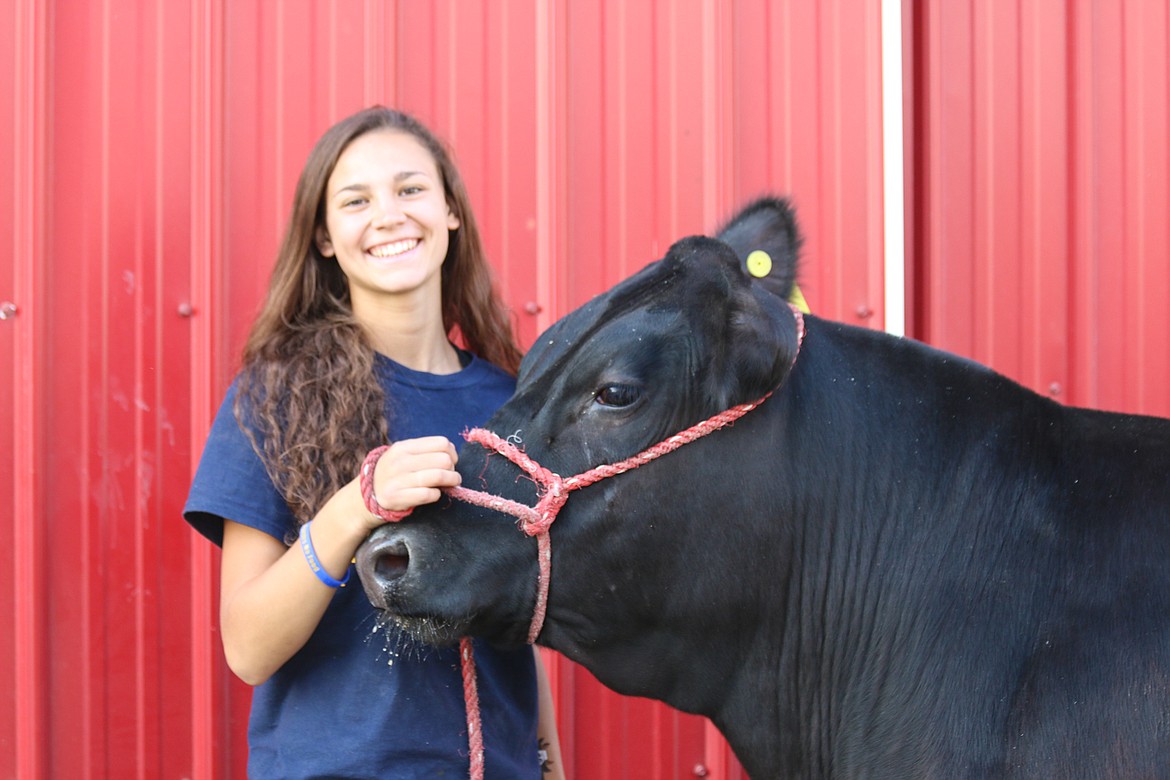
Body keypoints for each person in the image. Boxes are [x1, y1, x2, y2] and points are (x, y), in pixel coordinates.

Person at [184, 106, 565, 779]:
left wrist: (548, 762)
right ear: (326, 238)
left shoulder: (513, 402)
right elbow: (247, 648)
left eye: (411, 189)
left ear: (451, 211)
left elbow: (518, 617)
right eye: (356, 200)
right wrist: (356, 506)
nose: (389, 215)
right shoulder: (275, 397)